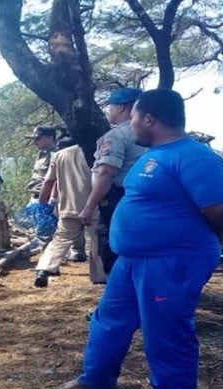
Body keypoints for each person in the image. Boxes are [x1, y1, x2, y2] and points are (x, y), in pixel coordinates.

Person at [57, 88, 223, 389]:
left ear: (149, 119)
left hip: (172, 259)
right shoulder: (152, 155)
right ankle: (97, 377)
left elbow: (222, 209)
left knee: (165, 327)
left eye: (135, 116)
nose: (131, 123)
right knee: (108, 319)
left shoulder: (194, 156)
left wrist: (198, 236)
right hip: (133, 259)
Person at [78, 87, 146, 282]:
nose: (109, 111)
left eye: (111, 106)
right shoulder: (153, 134)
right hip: (143, 200)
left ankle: (120, 292)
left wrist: (89, 206)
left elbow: (106, 173)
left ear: (122, 107)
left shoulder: (117, 136)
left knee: (113, 245)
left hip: (118, 200)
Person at [33, 140, 103, 287]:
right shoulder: (95, 150)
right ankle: (99, 276)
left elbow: (48, 182)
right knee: (94, 241)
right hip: (94, 205)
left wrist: (42, 204)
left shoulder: (58, 155)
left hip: (68, 206)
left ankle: (44, 269)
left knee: (60, 239)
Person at [26, 127, 86, 262]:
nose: (35, 142)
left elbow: (55, 179)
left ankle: (49, 260)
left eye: (37, 138)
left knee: (51, 228)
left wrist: (50, 199)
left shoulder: (56, 153)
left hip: (49, 196)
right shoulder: (41, 154)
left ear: (49, 138)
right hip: (38, 193)